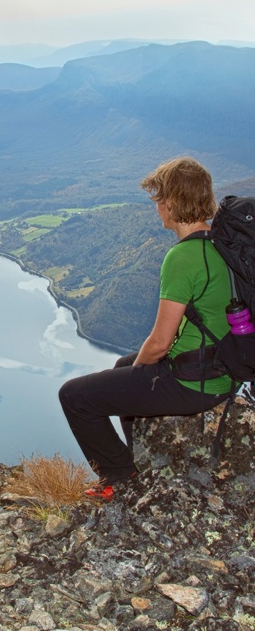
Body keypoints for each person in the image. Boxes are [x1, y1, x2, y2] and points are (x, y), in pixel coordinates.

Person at [58, 157, 235, 498]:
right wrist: (135, 371)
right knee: (123, 366)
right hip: (222, 374)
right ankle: (136, 459)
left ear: (170, 202)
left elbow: (160, 343)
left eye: (159, 198)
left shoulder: (182, 257)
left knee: (74, 396)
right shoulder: (220, 245)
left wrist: (142, 371)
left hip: (194, 383)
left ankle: (119, 480)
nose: (156, 206)